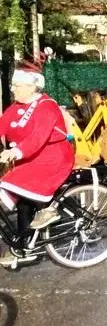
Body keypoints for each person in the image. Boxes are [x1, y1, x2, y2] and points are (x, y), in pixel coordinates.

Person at [0, 59, 75, 264]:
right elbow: (2, 125)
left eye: (17, 85)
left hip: (53, 158)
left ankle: (48, 208)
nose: (12, 89)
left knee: (12, 184)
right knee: (23, 202)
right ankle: (23, 247)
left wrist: (15, 152)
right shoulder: (15, 107)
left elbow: (37, 137)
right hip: (32, 159)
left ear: (32, 86)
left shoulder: (46, 106)